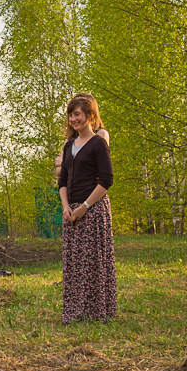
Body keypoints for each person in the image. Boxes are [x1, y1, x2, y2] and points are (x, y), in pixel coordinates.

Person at [58, 94, 116, 323]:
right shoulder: (68, 146)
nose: (73, 119)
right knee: (74, 265)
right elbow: (62, 181)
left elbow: (107, 180)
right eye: (70, 115)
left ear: (90, 115)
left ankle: (96, 311)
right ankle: (75, 311)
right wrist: (66, 207)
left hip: (93, 210)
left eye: (77, 114)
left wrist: (85, 206)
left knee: (93, 263)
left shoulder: (98, 143)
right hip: (71, 212)